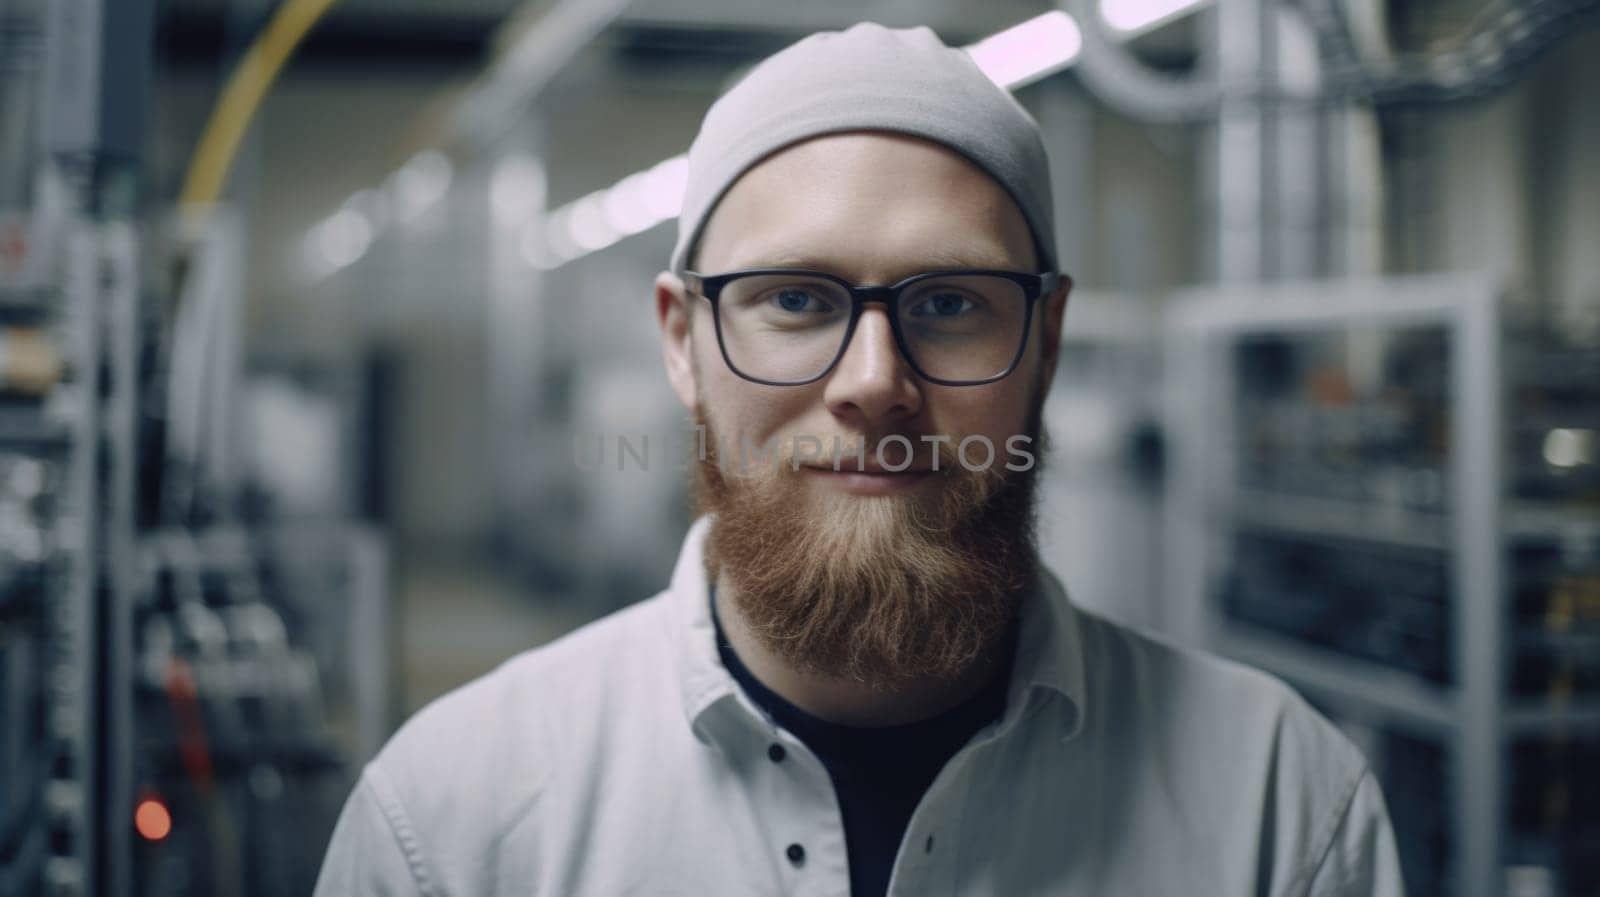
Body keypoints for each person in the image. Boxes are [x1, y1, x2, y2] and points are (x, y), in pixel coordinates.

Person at [314, 22, 1405, 897]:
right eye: (794, 299)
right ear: (682, 344)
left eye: (947, 303)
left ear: (1048, 341)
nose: (873, 380)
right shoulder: (453, 825)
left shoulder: (1282, 811)